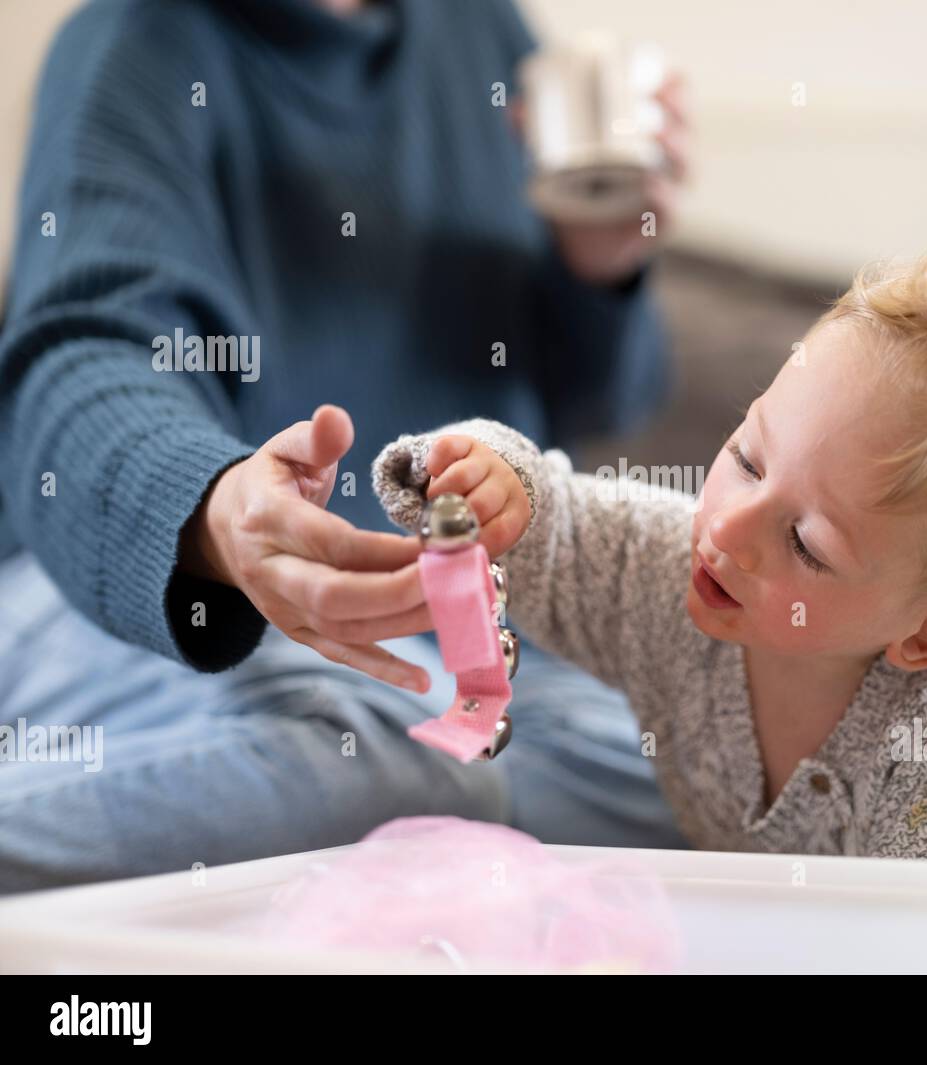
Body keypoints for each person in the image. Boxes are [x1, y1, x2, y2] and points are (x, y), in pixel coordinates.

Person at [0, 0, 693, 894]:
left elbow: (601, 399)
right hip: (167, 612)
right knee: (408, 769)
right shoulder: (136, 47)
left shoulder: (487, 40)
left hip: (456, 656)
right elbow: (80, 360)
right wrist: (213, 512)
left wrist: (599, 265)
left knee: (714, 784)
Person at [372, 249, 927, 868]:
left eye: (806, 545)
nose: (727, 528)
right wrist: (490, 481)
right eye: (746, 458)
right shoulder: (675, 567)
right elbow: (556, 528)